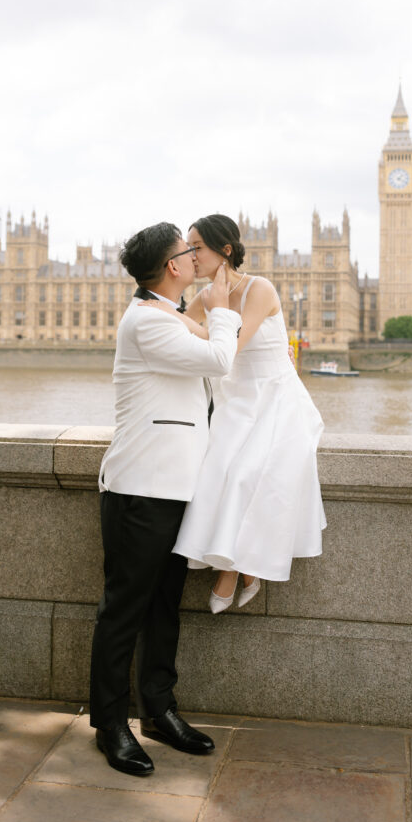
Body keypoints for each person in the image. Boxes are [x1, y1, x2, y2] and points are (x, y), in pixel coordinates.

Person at [89, 221, 241, 777]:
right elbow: (220, 358)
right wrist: (221, 307)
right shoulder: (148, 322)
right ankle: (110, 725)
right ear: (173, 267)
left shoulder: (171, 316)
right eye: (188, 251)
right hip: (140, 490)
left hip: (179, 489)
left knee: (163, 608)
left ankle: (158, 711)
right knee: (123, 611)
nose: (195, 257)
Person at [142, 214, 325, 613]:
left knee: (248, 472)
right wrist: (159, 311)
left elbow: (228, 351)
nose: (190, 254)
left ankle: (233, 569)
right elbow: (182, 333)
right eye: (187, 247)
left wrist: (213, 310)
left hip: (276, 398)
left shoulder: (259, 289)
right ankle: (244, 568)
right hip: (235, 401)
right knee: (213, 471)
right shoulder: (208, 297)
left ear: (225, 250)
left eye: (197, 247)